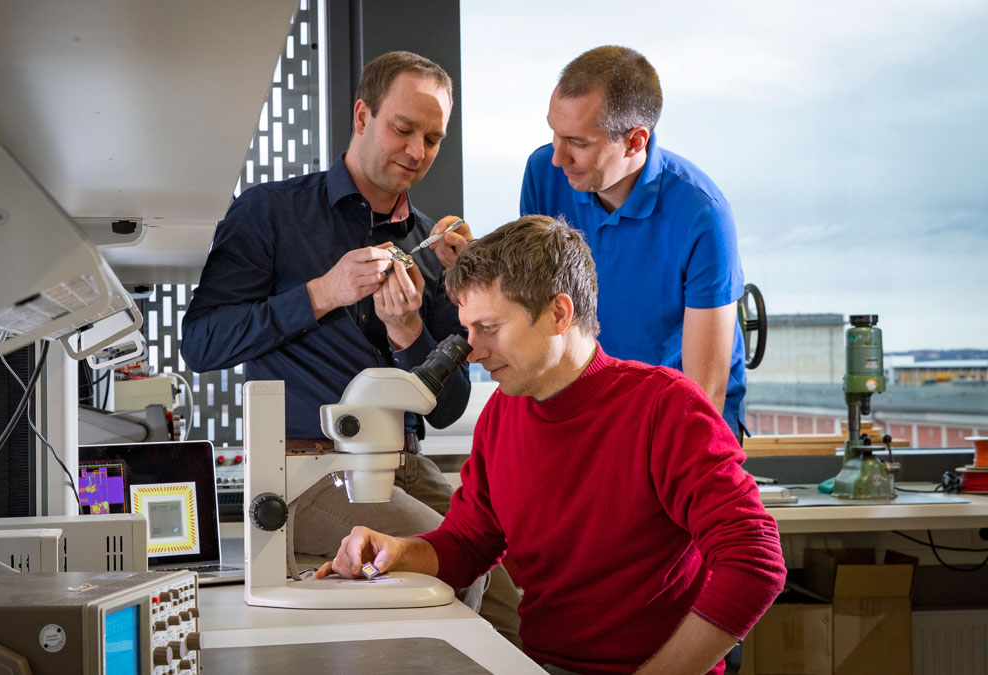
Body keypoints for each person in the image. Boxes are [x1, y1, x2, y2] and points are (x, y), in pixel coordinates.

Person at [316, 216, 786, 675]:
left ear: (559, 313)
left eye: (490, 329)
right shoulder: (503, 413)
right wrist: (396, 551)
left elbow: (755, 560)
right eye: (469, 330)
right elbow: (467, 544)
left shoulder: (664, 407)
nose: (474, 352)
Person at [180, 51, 520, 644]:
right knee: (458, 576)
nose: (418, 151)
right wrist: (322, 292)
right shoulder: (271, 213)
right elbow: (201, 344)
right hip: (307, 475)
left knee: (518, 591)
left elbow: (446, 408)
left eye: (433, 137)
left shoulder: (430, 245)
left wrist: (409, 333)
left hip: (406, 465)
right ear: (362, 115)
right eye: (403, 129)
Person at [520, 46, 748, 440]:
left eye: (578, 142)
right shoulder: (544, 173)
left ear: (635, 141)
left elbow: (703, 395)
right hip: (587, 407)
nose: (558, 157)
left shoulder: (703, 215)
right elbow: (536, 310)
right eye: (554, 133)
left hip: (676, 416)